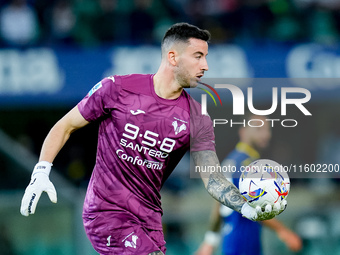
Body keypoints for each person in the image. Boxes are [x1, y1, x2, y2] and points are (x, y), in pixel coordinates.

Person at [20, 23, 285, 255]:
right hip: (107, 213)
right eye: (198, 56)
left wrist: (246, 208)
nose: (205, 65)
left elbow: (212, 178)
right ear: (173, 57)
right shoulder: (117, 88)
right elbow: (65, 125)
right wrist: (41, 171)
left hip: (149, 221)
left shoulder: (197, 117)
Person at [196, 114, 302, 255]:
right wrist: (283, 231)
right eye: (259, 129)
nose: (266, 134)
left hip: (233, 240)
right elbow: (257, 206)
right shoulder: (246, 164)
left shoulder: (231, 160)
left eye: (267, 129)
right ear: (243, 131)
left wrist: (210, 241)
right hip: (243, 242)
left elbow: (218, 204)